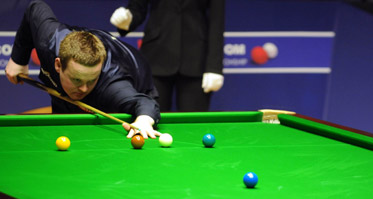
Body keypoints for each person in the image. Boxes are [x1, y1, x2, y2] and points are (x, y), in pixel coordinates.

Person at [5, 0, 161, 139]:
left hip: (135, 74)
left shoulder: (113, 86)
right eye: (77, 79)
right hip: (66, 89)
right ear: (58, 65)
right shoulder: (49, 41)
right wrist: (18, 59)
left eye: (91, 80)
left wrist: (144, 120)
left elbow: (145, 102)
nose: (83, 88)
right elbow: (35, 8)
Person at [110, 0, 225, 112]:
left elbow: (217, 19)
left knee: (194, 123)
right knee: (150, 117)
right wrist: (128, 19)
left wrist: (214, 67)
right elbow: (137, 8)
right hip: (156, 55)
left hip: (196, 57)